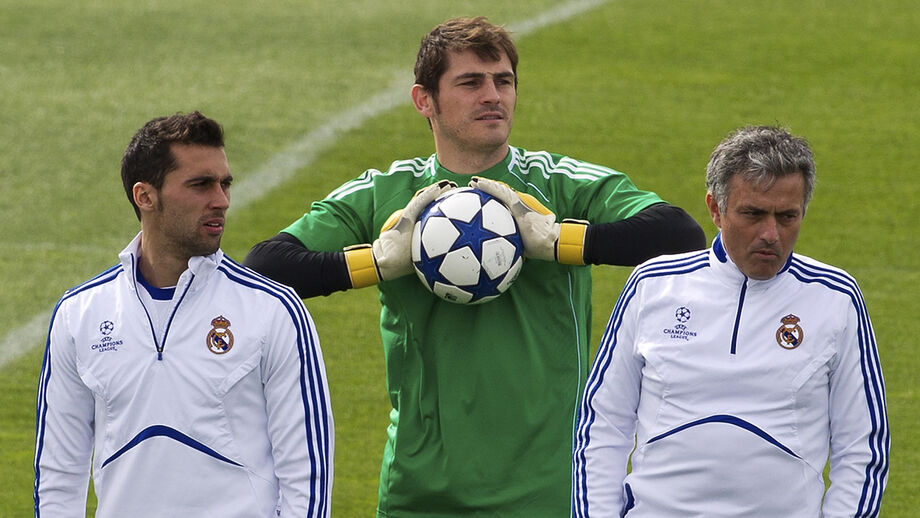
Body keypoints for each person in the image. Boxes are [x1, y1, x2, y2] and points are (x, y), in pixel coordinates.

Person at [244, 17, 705, 517]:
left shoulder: (558, 183)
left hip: (550, 492)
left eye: (503, 81)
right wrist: (378, 262)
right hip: (418, 496)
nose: (493, 96)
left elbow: (679, 234)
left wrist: (557, 240)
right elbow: (266, 267)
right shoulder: (386, 193)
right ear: (425, 100)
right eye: (471, 83)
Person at [572, 125, 890, 517]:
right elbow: (602, 424)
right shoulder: (653, 286)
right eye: (753, 214)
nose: (771, 234)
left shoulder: (835, 298)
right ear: (715, 209)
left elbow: (863, 446)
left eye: (787, 216)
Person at [33, 111, 334, 518]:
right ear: (145, 196)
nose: (221, 200)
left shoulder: (274, 311)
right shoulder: (79, 314)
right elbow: (57, 473)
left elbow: (308, 474)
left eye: (225, 183)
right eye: (200, 185)